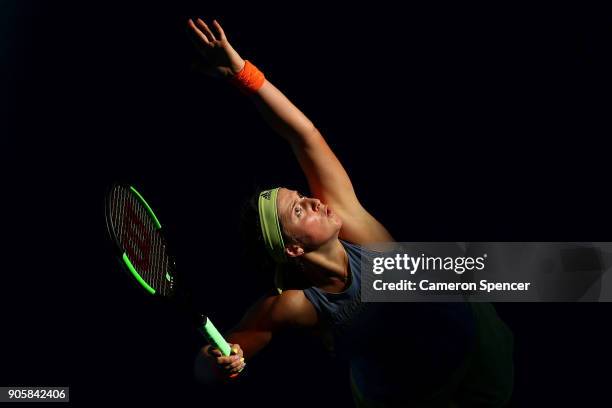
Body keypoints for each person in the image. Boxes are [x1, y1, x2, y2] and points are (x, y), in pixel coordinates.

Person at [188, 17, 514, 407]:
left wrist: (241, 72)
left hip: (476, 351)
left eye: (301, 194)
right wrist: (215, 362)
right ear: (292, 249)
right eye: (297, 210)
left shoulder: (357, 231)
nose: (311, 199)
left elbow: (303, 134)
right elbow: (217, 359)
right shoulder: (296, 305)